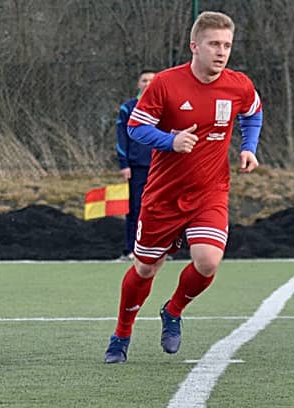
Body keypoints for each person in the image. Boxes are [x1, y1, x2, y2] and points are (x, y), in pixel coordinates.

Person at [103, 11, 262, 363]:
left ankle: (173, 310)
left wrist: (249, 147)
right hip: (164, 194)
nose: (221, 52)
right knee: (146, 268)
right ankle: (122, 334)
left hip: (210, 191)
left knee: (207, 261)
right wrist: (170, 141)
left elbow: (253, 111)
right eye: (214, 44)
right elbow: (135, 127)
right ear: (195, 46)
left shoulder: (238, 85)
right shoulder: (166, 83)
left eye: (227, 45)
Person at [115, 69, 156, 261]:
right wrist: (124, 163)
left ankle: (157, 249)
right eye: (144, 80)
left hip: (161, 167)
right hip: (137, 166)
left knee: (159, 209)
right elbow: (121, 138)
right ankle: (132, 249)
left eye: (152, 80)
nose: (148, 84)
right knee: (136, 208)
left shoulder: (166, 107)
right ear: (138, 84)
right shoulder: (128, 108)